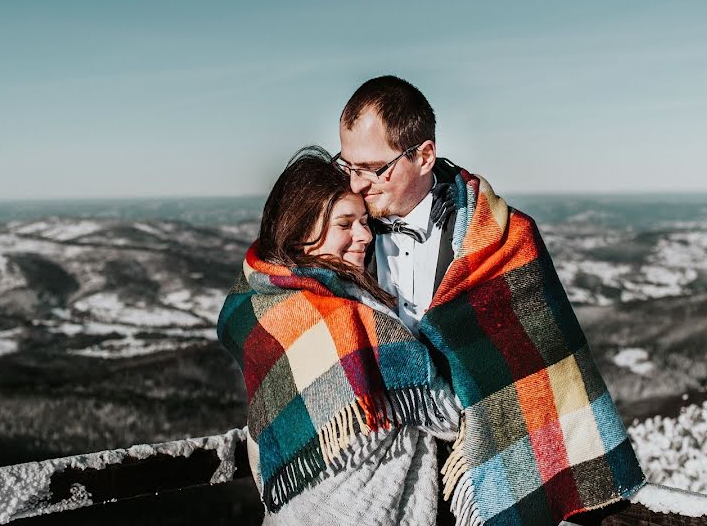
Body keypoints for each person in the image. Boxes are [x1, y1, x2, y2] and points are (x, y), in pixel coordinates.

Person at [333, 76, 647, 525]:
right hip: (381, 470)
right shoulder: (342, 235)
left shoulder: (505, 239)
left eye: (373, 169)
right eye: (347, 166)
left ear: (423, 156)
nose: (356, 184)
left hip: (475, 465)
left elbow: (543, 364)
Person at [218, 146, 461, 526]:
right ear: (301, 231)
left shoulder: (265, 302)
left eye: (365, 222)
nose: (365, 236)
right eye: (345, 224)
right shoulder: (348, 322)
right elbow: (445, 415)